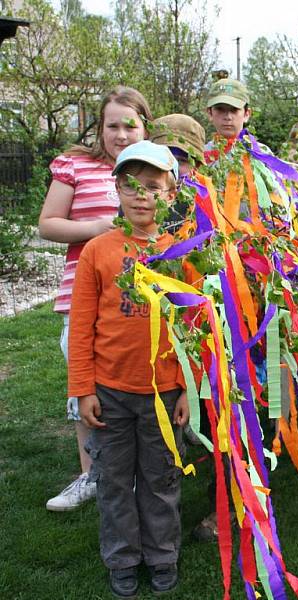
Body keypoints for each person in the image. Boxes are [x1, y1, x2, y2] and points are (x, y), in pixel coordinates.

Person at [70, 140, 189, 598]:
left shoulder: (183, 252)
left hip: (163, 394)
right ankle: (122, 558)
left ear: (170, 194)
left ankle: (162, 555)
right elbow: (82, 327)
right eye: (131, 185)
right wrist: (84, 388)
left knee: (160, 481)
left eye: (153, 186)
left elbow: (192, 328)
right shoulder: (98, 251)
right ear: (116, 189)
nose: (142, 195)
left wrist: (185, 389)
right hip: (111, 391)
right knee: (115, 481)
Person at [39, 86, 152, 512]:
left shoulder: (154, 171)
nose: (121, 134)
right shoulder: (77, 165)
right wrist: (99, 228)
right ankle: (90, 474)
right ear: (99, 128)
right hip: (82, 294)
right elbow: (47, 224)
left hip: (139, 302)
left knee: (135, 386)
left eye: (130, 125)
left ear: (145, 127)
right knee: (84, 383)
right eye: (112, 125)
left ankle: (139, 475)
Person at [150, 113, 206, 234]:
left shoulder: (205, 204)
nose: (172, 167)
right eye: (164, 158)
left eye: (181, 161)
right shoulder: (138, 199)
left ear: (196, 166)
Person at [205, 77, 252, 161]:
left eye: (234, 109)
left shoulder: (261, 155)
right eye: (220, 109)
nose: (228, 117)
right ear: (210, 113)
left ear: (246, 114)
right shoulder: (199, 156)